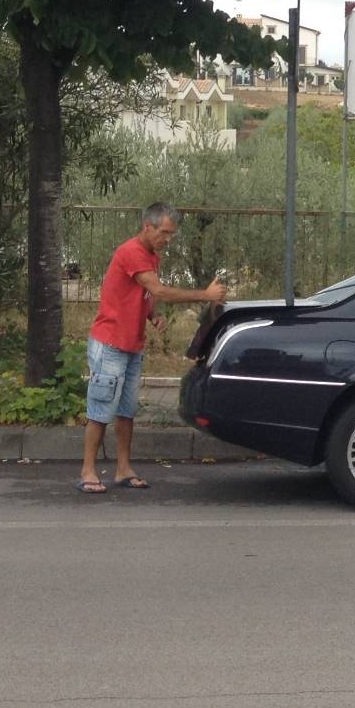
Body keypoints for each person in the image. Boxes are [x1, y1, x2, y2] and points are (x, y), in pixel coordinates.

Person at [79, 203, 226, 494]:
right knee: (100, 409)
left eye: (171, 234)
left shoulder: (150, 255)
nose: (168, 239)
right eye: (165, 232)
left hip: (131, 344)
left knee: (126, 411)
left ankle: (123, 469)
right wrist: (205, 295)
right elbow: (158, 290)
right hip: (110, 343)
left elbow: (145, 293)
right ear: (148, 226)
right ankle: (87, 472)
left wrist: (152, 315)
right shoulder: (131, 251)